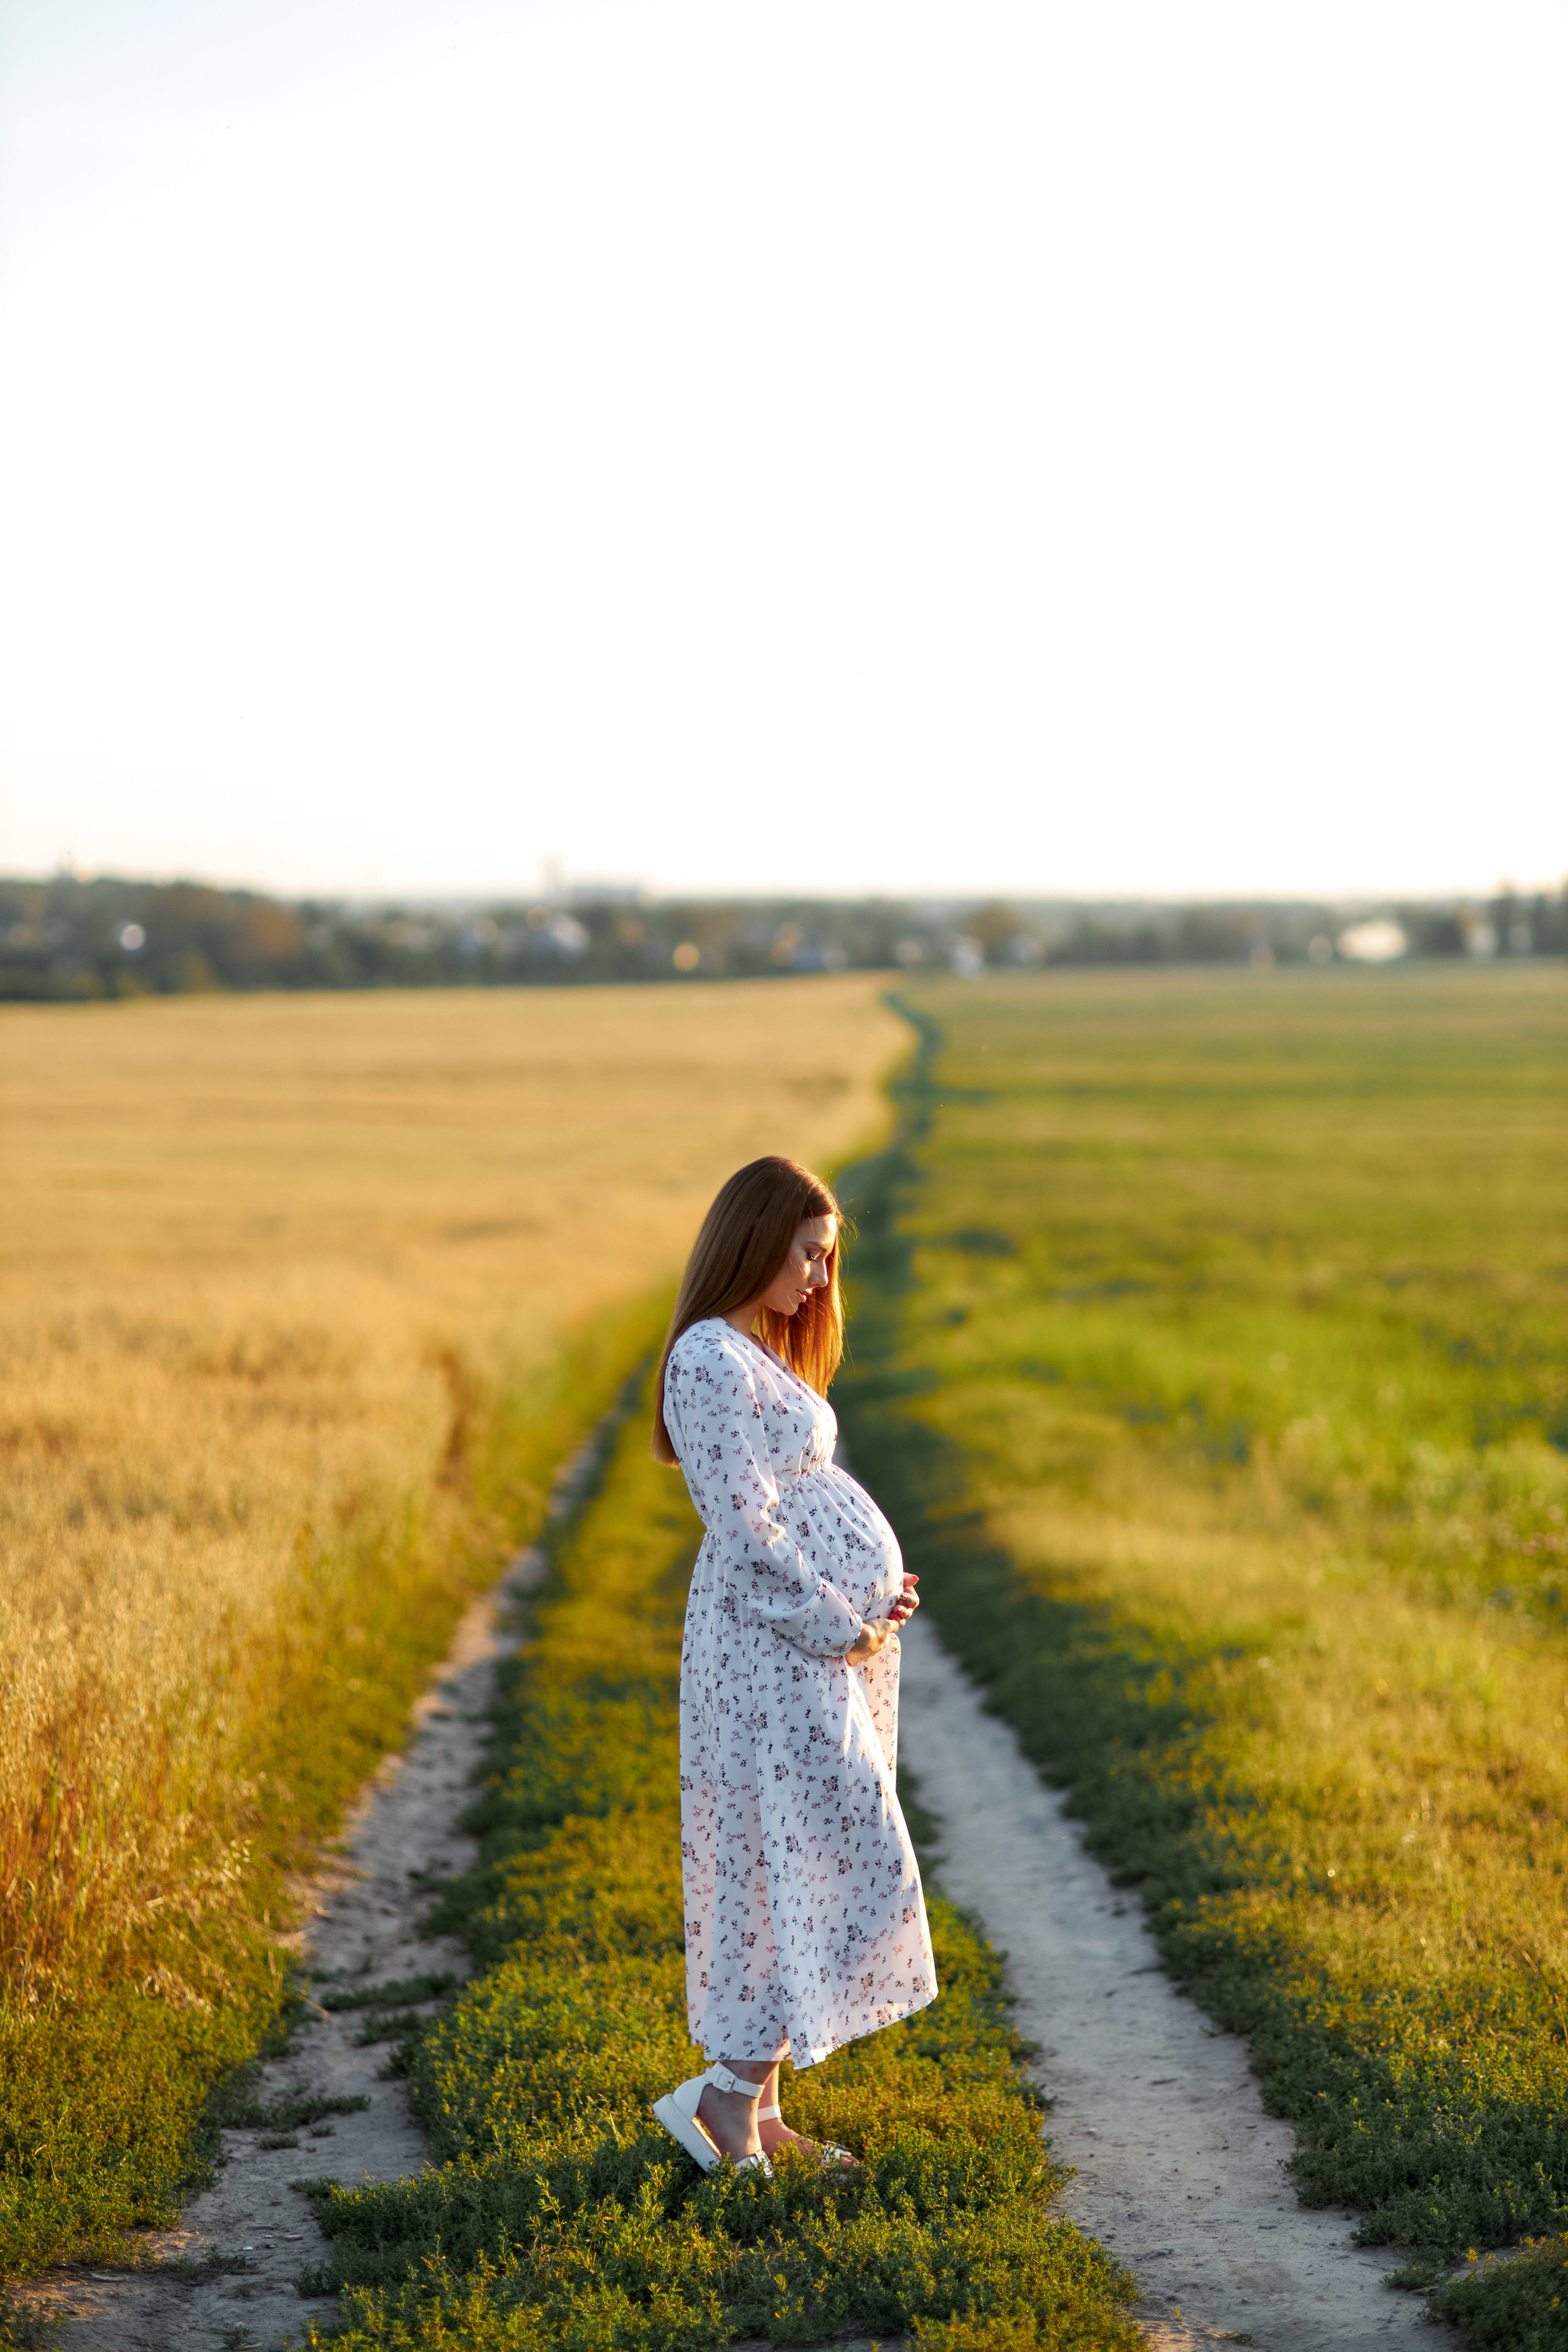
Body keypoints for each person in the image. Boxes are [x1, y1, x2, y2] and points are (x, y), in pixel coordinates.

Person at [650, 1155, 937, 2177]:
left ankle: (758, 2115)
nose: (819, 1278)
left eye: (828, 1260)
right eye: (808, 1254)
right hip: (769, 1654)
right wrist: (837, 1621)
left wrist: (872, 1600)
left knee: (792, 1861)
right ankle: (725, 2099)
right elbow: (747, 1529)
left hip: (801, 1648)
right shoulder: (707, 1362)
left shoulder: (751, 1353)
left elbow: (795, 1508)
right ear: (754, 1235)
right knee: (836, 1849)